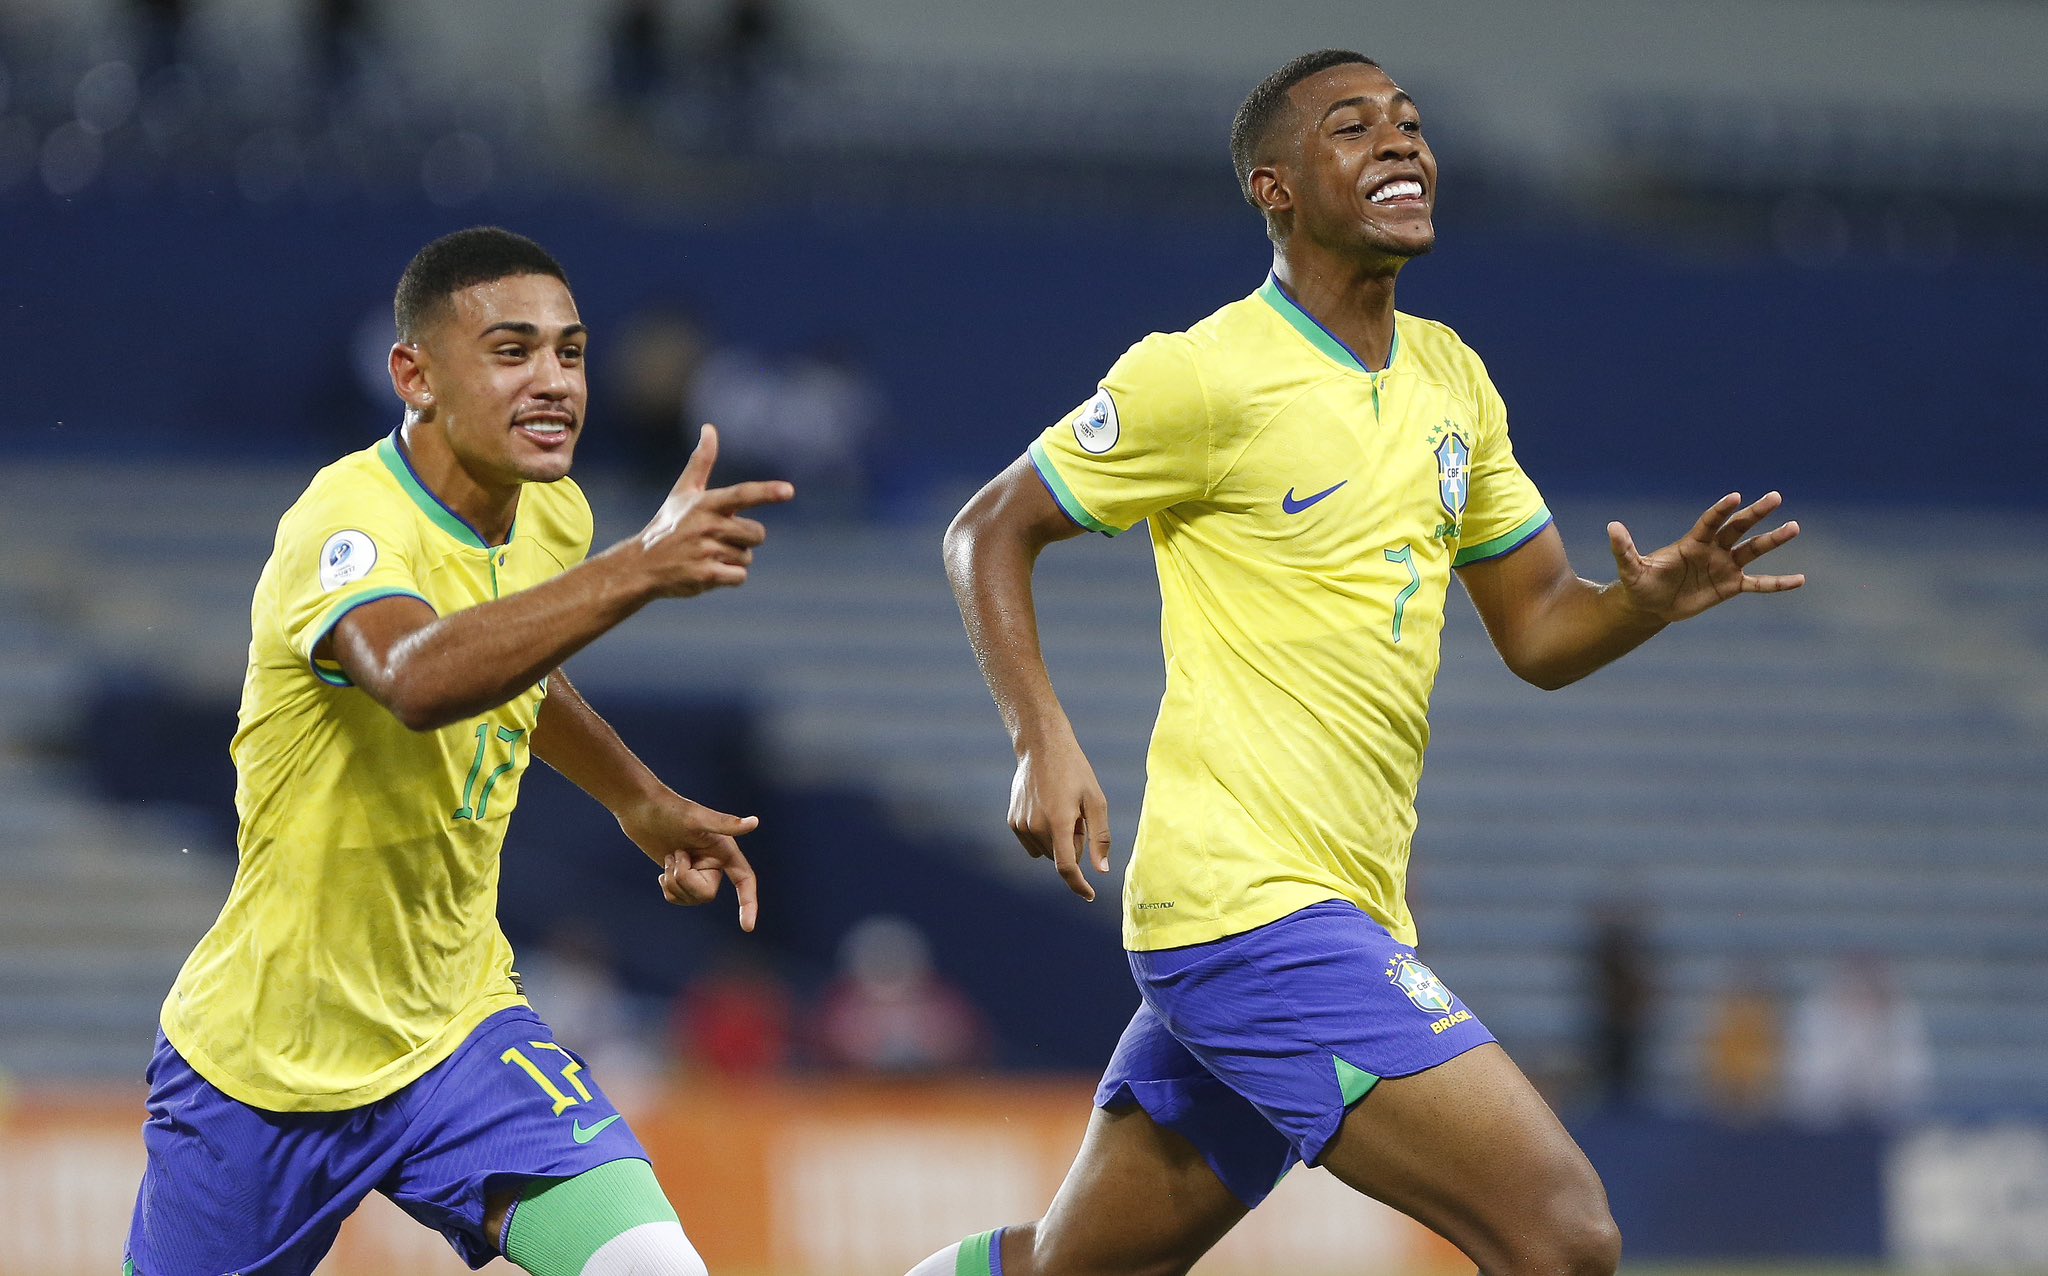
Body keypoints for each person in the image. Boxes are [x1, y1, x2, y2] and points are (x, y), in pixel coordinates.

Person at [915, 49, 1805, 1276]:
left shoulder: (1452, 380)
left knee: (1076, 1267)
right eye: (1353, 128)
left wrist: (1643, 605)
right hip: (1245, 909)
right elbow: (986, 529)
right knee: (1563, 1233)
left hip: (1336, 904)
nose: (1399, 143)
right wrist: (1039, 734)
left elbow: (1540, 627)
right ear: (1274, 187)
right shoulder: (1203, 372)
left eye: (1409, 123)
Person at [126, 226, 793, 1276]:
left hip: (458, 1032)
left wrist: (636, 796)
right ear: (415, 376)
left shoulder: (550, 514)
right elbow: (417, 679)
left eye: (570, 353)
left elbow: (513, 660)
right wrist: (634, 570)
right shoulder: (346, 524)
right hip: (266, 1063)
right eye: (512, 350)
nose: (553, 382)